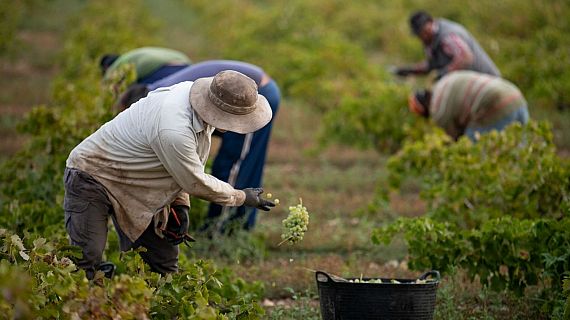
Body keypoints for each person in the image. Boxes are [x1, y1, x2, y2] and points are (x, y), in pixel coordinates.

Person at [63, 70, 275, 279]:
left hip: (142, 184)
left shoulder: (199, 105)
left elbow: (187, 167)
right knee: (86, 264)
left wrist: (180, 204)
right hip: (93, 175)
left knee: (162, 267)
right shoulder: (175, 129)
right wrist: (241, 196)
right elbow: (195, 181)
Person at [115, 60, 281, 231]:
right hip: (243, 94)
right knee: (239, 161)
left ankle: (219, 229)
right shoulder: (159, 93)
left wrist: (241, 197)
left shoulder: (165, 104)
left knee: (233, 163)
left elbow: (191, 174)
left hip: (253, 96)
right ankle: (235, 222)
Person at [408, 70, 529, 141]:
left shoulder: (438, 111)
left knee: (474, 150)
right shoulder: (443, 82)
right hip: (516, 96)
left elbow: (457, 140)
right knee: (522, 149)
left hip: (495, 104)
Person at [394, 10, 500, 80]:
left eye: (423, 31)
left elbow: (465, 58)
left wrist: (444, 72)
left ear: (431, 22)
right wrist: (410, 70)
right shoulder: (430, 40)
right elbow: (432, 64)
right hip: (472, 85)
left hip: (488, 82)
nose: (422, 36)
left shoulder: (448, 36)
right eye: (419, 34)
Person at [100, 47, 191, 84]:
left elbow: (107, 82)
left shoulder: (115, 66)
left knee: (140, 92)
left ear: (106, 67)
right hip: (185, 65)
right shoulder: (133, 55)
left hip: (165, 70)